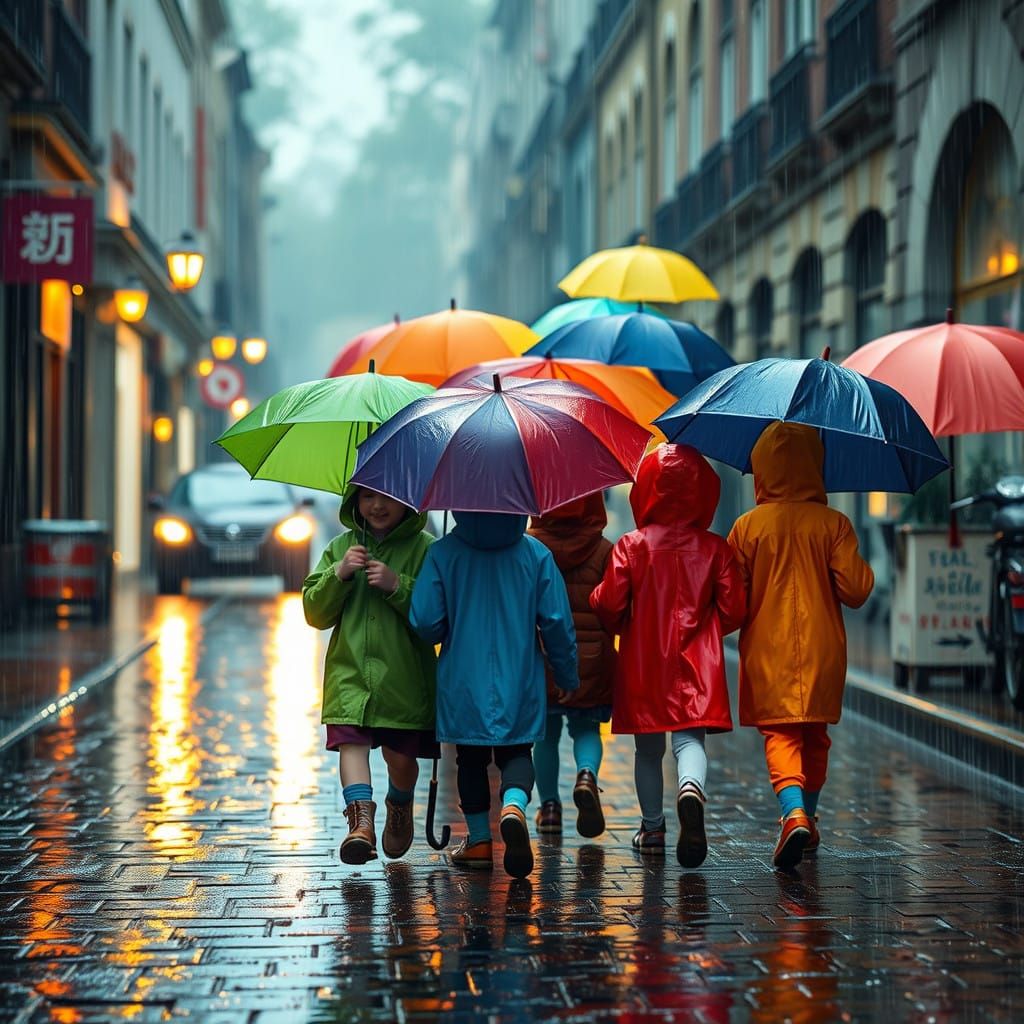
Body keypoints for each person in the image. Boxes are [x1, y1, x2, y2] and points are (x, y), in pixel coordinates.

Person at [591, 445, 746, 868]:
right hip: (697, 661)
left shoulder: (631, 546)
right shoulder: (715, 549)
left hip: (644, 662)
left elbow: (608, 604)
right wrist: (709, 632)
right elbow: (734, 608)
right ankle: (691, 789)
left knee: (647, 751)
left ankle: (652, 827)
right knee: (689, 740)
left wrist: (622, 621)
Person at [727, 422, 874, 869]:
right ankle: (807, 815)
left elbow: (734, 602)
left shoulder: (747, 528)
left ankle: (792, 813)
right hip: (822, 650)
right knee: (815, 735)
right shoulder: (834, 525)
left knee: (781, 733)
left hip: (768, 652)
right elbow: (857, 590)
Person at [410, 510, 579, 879]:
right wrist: (566, 672)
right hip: (519, 677)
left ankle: (480, 841)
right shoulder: (535, 555)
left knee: (469, 759)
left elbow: (425, 621)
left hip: (462, 680)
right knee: (517, 750)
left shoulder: (443, 553)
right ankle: (514, 807)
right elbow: (556, 622)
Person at [302, 486, 437, 866]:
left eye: (388, 497)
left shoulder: (425, 549)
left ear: (408, 500)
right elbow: (314, 612)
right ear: (352, 503)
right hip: (350, 675)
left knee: (401, 759)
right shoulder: (341, 548)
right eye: (365, 497)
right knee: (351, 746)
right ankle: (360, 823)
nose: (376, 506)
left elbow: (435, 619)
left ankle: (399, 801)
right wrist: (339, 574)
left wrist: (399, 587)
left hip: (404, 678)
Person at [527, 494, 616, 838]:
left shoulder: (531, 547)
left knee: (545, 738)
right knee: (587, 729)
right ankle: (586, 776)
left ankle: (548, 808)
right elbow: (612, 606)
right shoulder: (604, 549)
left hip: (543, 655)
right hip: (590, 657)